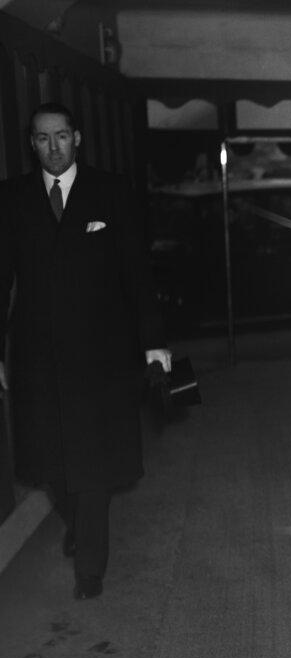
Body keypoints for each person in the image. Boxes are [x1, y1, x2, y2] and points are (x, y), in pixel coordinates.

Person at [0, 102, 171, 600]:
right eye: (42, 138)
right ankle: (76, 519)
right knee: (51, 460)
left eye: (61, 136)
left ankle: (91, 567)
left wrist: (154, 342)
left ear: (77, 138)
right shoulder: (11, 198)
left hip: (102, 353)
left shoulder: (111, 190)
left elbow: (136, 272)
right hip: (37, 354)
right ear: (32, 144)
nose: (53, 147)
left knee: (93, 458)